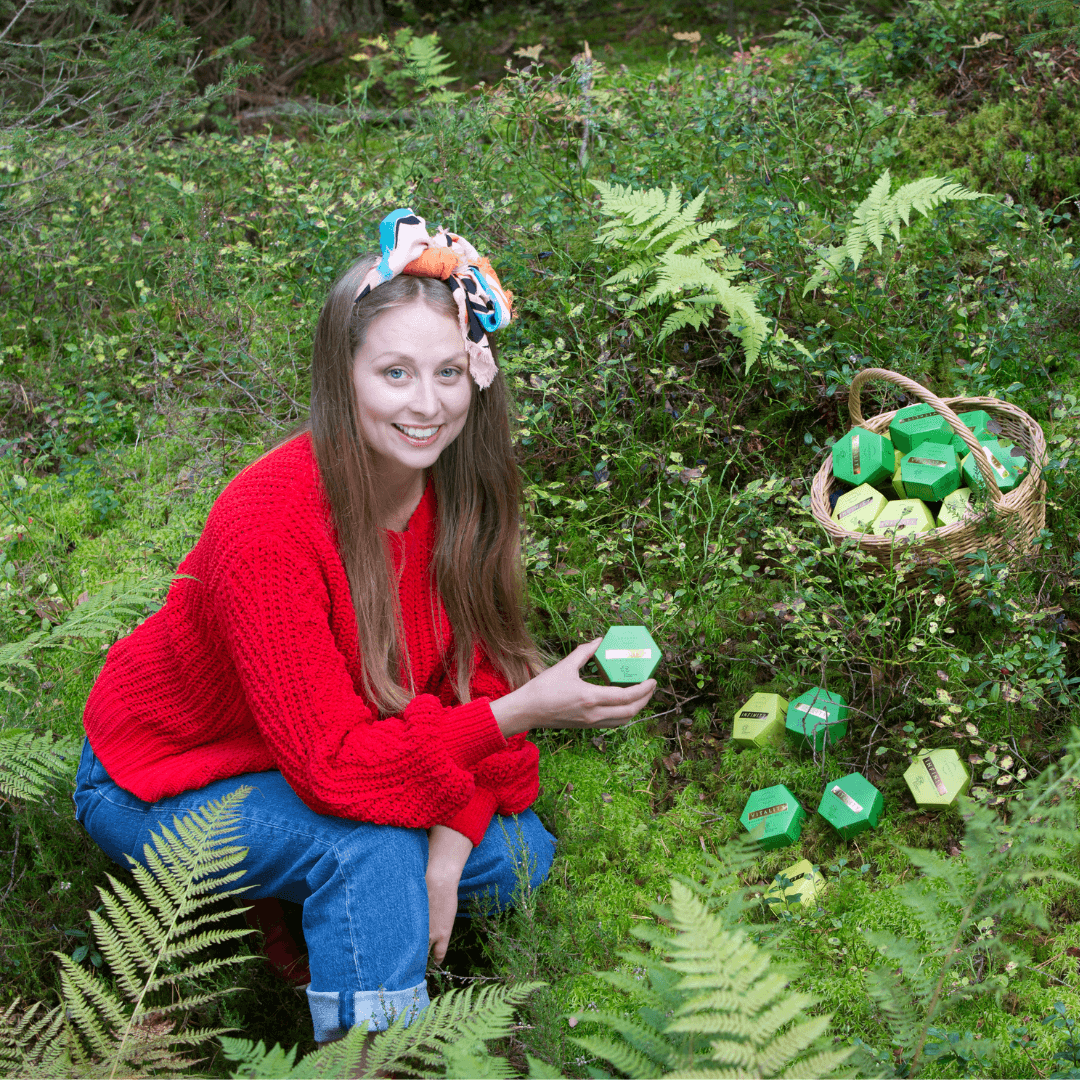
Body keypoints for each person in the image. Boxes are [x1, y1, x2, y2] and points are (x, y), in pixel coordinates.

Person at [73, 209, 657, 1045]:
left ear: (477, 376)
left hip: (316, 751)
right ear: (341, 376)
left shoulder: (460, 492)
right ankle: (375, 1060)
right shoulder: (268, 526)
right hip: (160, 776)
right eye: (395, 373)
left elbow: (479, 683)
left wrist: (450, 857)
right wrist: (522, 715)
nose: (427, 405)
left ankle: (315, 903)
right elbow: (338, 764)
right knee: (373, 851)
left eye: (450, 373)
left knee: (514, 855)